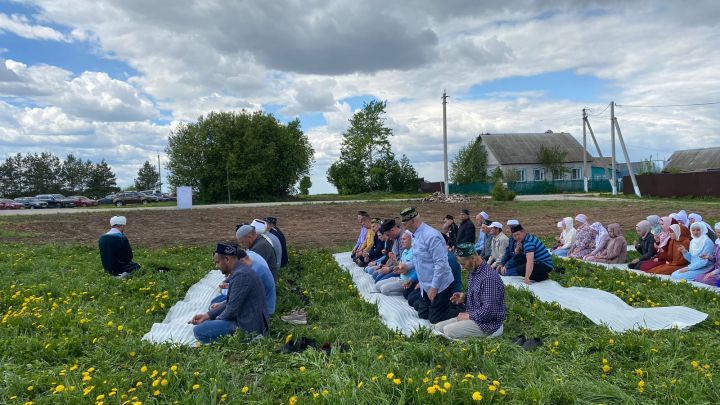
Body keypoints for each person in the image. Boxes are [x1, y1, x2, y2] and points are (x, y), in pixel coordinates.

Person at [191, 243, 268, 344]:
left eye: (218, 262)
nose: (217, 266)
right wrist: (207, 315)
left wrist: (216, 320)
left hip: (249, 327)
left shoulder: (241, 275)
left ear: (227, 259)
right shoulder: (240, 270)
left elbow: (232, 308)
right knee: (211, 314)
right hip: (247, 318)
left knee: (199, 331)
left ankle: (247, 340)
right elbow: (231, 301)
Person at [433, 243, 505, 340]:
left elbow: (489, 311)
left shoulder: (488, 278)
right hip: (476, 318)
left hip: (488, 324)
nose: (462, 267)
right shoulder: (474, 271)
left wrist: (469, 316)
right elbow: (481, 298)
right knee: (438, 327)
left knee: (448, 330)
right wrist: (465, 297)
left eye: (463, 264)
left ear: (473, 258)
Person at [401, 207, 456, 324]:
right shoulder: (415, 235)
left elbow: (440, 264)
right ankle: (439, 306)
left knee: (434, 319)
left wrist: (434, 288)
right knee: (423, 315)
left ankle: (461, 308)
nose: (404, 227)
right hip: (425, 285)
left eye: (405, 224)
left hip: (441, 285)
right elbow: (419, 259)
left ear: (413, 221)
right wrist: (408, 268)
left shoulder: (431, 236)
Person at [211, 250, 276, 315]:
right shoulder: (252, 265)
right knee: (216, 301)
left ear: (242, 261)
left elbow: (238, 298)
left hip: (261, 309)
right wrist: (226, 281)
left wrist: (220, 305)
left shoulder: (252, 272)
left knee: (217, 311)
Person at [376, 230, 414, 295]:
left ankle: (403, 293)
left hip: (407, 281)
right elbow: (399, 266)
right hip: (400, 278)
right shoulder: (404, 252)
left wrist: (400, 270)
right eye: (401, 239)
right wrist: (394, 260)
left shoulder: (414, 252)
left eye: (404, 239)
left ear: (411, 240)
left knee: (383, 289)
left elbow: (409, 270)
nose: (402, 241)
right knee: (377, 285)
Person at [695, 222, 720, 286]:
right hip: (716, 269)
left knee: (706, 280)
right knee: (698, 277)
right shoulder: (717, 242)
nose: (718, 234)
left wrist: (714, 272)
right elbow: (715, 259)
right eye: (717, 232)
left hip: (717, 271)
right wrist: (708, 257)